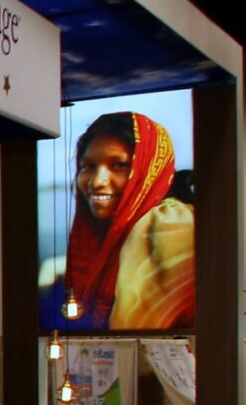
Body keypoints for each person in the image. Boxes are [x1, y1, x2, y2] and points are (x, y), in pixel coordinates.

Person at [63, 111, 194, 329]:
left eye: (119, 165)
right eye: (88, 166)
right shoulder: (103, 237)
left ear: (148, 168)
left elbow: (137, 339)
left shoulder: (166, 226)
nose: (97, 182)